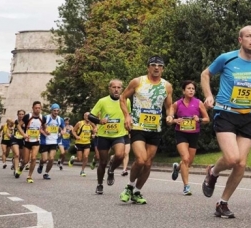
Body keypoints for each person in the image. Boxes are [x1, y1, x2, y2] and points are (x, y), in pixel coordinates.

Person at [200, 25, 251, 218]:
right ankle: (213, 172)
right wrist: (209, 96)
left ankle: (222, 203)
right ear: (240, 40)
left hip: (246, 116)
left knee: (241, 164)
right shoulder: (227, 58)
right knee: (232, 158)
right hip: (225, 113)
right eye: (249, 36)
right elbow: (205, 74)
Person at [119, 55, 173, 205]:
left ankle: (136, 191)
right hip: (138, 126)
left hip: (155, 128)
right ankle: (129, 186)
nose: (156, 67)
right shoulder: (138, 82)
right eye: (153, 64)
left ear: (163, 68)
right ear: (148, 67)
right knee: (141, 160)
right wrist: (127, 116)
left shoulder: (167, 86)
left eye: (160, 65)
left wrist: (170, 116)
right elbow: (123, 98)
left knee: (148, 163)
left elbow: (169, 106)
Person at [90, 79, 130, 195]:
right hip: (104, 135)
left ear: (122, 89)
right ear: (109, 89)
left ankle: (111, 170)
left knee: (120, 155)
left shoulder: (126, 101)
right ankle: (99, 184)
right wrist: (99, 120)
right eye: (114, 87)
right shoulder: (102, 101)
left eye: (119, 87)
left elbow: (129, 115)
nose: (116, 89)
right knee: (102, 162)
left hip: (119, 134)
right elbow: (91, 116)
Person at [170, 80, 210, 196]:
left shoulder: (198, 103)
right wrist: (175, 120)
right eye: (188, 88)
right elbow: (169, 118)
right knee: (186, 158)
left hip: (194, 134)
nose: (191, 90)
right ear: (183, 90)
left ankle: (177, 167)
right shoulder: (177, 104)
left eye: (193, 89)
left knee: (189, 162)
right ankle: (186, 186)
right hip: (181, 133)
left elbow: (207, 119)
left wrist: (200, 120)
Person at [17, 101, 47, 183]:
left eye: (39, 108)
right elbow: (19, 125)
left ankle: (29, 176)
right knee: (25, 160)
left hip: (36, 141)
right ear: (33, 108)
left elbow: (44, 127)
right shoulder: (28, 116)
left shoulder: (42, 118)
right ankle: (21, 167)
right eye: (36, 108)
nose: (37, 109)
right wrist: (23, 134)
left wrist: (46, 131)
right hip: (27, 141)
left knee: (34, 158)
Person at [38, 103, 64, 180]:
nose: (56, 112)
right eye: (54, 110)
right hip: (45, 141)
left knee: (51, 158)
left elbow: (63, 128)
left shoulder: (60, 119)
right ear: (51, 111)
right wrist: (44, 132)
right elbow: (40, 128)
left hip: (54, 141)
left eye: (57, 111)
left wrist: (63, 131)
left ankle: (46, 173)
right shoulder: (46, 118)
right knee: (44, 159)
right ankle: (41, 164)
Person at [69, 112, 95, 177]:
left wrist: (94, 134)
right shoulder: (80, 123)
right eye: (86, 116)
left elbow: (95, 129)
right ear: (84, 117)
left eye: (89, 116)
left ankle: (82, 171)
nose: (87, 117)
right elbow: (73, 131)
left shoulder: (91, 124)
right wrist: (76, 136)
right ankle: (73, 159)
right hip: (79, 143)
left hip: (87, 142)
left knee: (86, 156)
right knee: (79, 159)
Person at [12, 110, 26, 174]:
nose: (21, 116)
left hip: (23, 140)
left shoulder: (26, 122)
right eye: (19, 114)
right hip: (15, 139)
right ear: (17, 115)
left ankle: (15, 163)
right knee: (17, 155)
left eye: (22, 114)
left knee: (21, 157)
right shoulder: (16, 121)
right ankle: (16, 170)